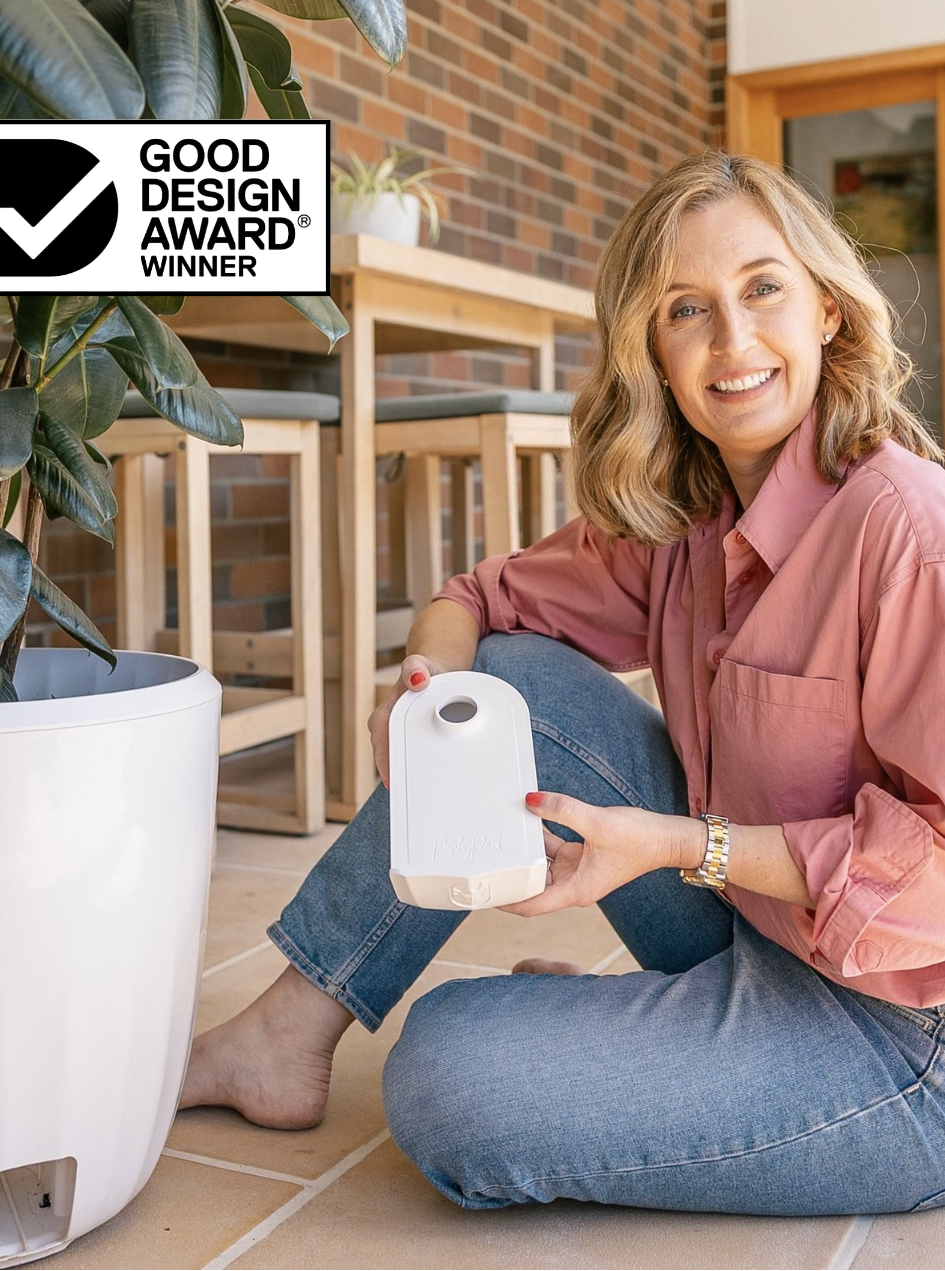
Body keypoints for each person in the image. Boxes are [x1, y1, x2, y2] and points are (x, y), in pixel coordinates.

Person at [180, 150, 945, 1215]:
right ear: (651, 349)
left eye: (762, 288)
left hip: (903, 1034)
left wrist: (679, 844)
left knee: (448, 1078)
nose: (731, 341)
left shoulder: (907, 530)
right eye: (685, 308)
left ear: (825, 309)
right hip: (757, 928)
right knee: (503, 679)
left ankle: (642, 1036)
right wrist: (420, 690)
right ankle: (283, 1030)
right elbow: (479, 598)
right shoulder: (686, 519)